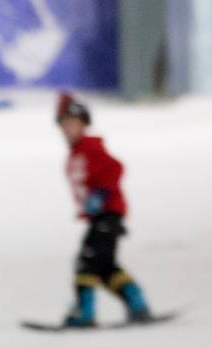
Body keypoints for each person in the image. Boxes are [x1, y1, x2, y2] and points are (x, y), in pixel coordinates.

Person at [54, 92, 153, 327]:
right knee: (105, 266)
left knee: (86, 261)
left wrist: (102, 193)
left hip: (107, 215)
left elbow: (115, 167)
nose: (68, 129)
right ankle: (137, 303)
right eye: (64, 124)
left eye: (74, 124)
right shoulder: (75, 154)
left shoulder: (90, 148)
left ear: (84, 125)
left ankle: (84, 311)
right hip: (97, 217)